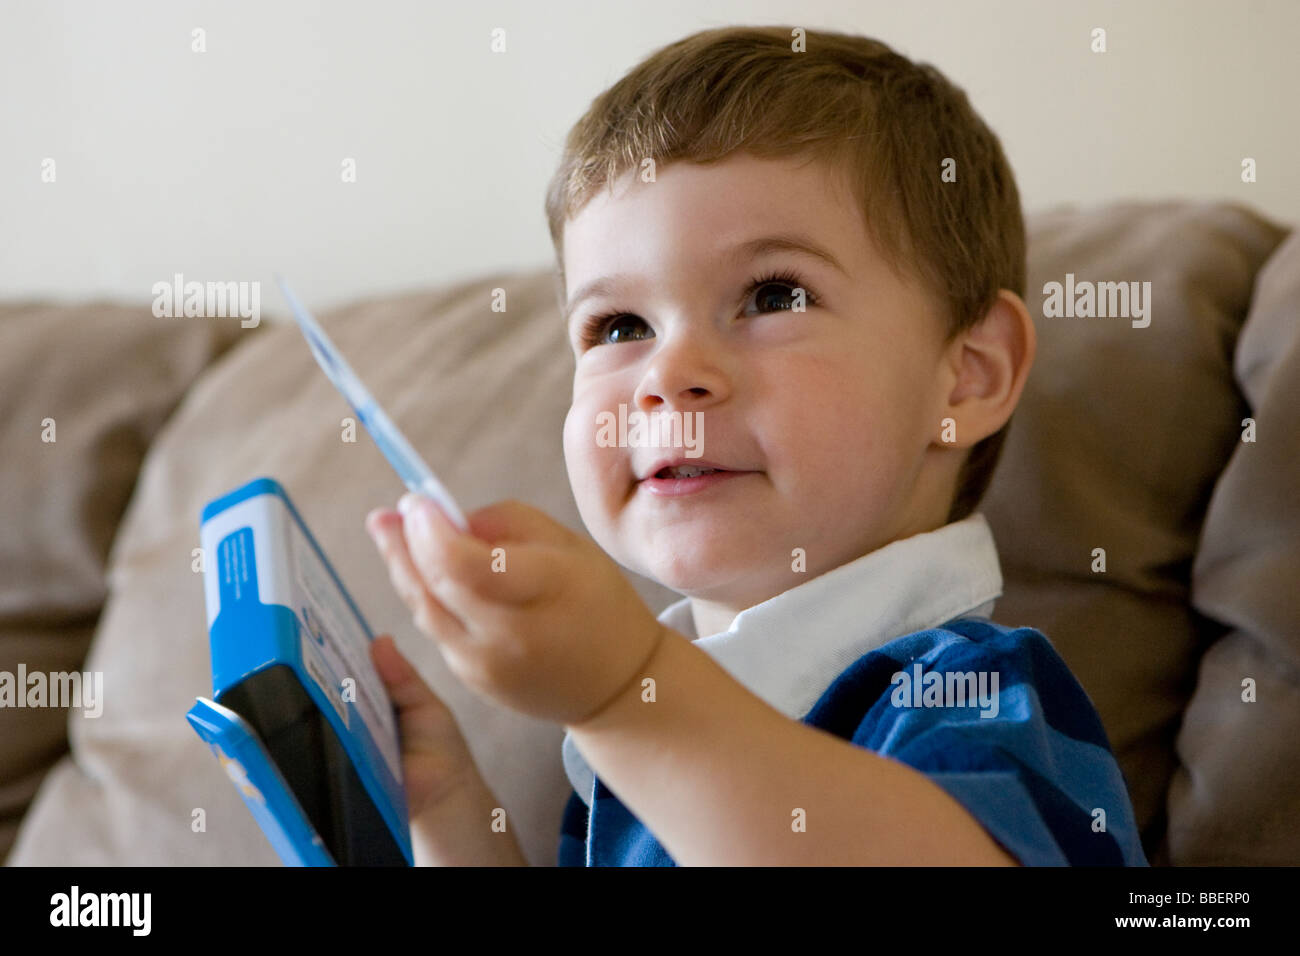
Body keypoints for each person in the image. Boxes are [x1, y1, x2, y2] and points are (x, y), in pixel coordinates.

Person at [364, 25, 1148, 867]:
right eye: (620, 324)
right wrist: (442, 809)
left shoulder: (971, 692)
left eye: (774, 295)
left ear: (967, 377)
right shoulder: (617, 745)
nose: (669, 375)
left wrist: (626, 694)